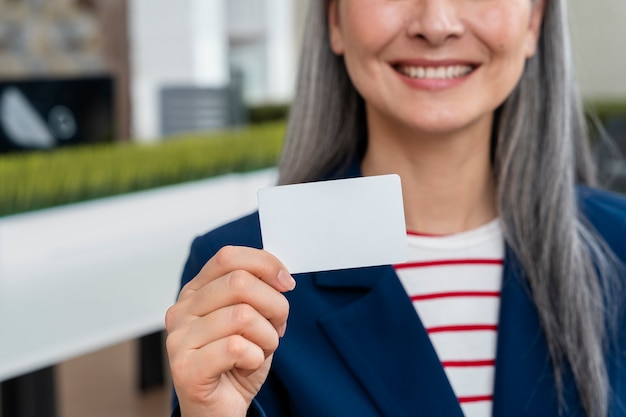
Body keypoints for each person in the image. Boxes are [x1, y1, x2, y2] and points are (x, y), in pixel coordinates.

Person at [164, 0, 626, 416]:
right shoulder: (238, 278)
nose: (437, 23)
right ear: (334, 19)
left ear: (535, 20)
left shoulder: (619, 246)